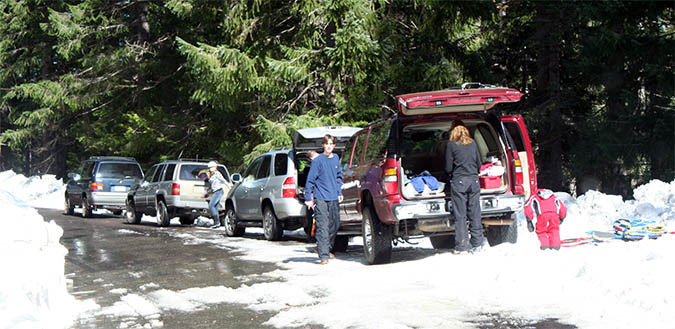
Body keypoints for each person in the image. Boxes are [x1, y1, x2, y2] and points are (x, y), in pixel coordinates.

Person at [445, 124, 484, 254]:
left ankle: (462, 246)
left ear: (453, 131)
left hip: (459, 182)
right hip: (473, 181)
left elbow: (448, 167)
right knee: (474, 213)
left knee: (460, 215)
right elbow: (479, 163)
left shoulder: (451, 145)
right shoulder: (472, 144)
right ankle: (477, 244)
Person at [304, 135, 343, 264]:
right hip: (320, 197)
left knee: (335, 224)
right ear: (323, 145)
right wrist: (308, 197)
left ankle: (324, 247)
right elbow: (310, 180)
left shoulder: (336, 159)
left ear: (334, 146)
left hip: (333, 197)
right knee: (323, 226)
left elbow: (339, 177)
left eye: (331, 144)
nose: (329, 146)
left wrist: (339, 192)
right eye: (326, 144)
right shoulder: (317, 161)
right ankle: (324, 255)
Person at [204, 161, 228, 228]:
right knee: (215, 207)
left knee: (211, 205)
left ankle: (217, 222)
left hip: (219, 191)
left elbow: (223, 180)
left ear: (215, 167)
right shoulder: (212, 175)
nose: (210, 169)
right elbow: (212, 185)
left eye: (211, 167)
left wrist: (229, 186)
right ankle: (216, 223)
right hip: (215, 191)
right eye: (209, 168)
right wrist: (207, 192)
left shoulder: (217, 173)